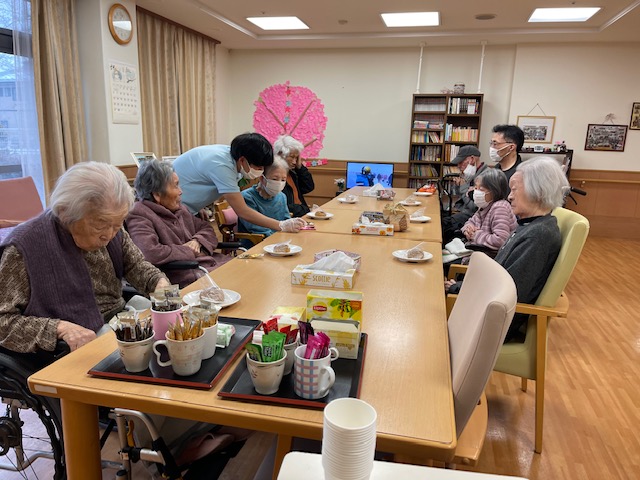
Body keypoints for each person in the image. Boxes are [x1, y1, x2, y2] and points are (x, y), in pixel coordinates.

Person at [0, 161, 170, 353]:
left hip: (119, 324)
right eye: (100, 225)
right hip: (71, 348)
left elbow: (136, 265)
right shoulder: (23, 248)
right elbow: (3, 322)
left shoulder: (112, 226)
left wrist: (158, 282)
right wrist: (59, 329)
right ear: (65, 213)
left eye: (118, 224)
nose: (109, 234)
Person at [445, 157, 569, 341]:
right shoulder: (529, 225)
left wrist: (459, 288)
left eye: (514, 190)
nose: (509, 196)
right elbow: (501, 275)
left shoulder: (538, 235)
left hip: (493, 322)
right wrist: (461, 287)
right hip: (488, 308)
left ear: (539, 191)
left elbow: (508, 291)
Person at [126, 159, 231, 288]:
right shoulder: (139, 213)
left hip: (210, 266)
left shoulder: (180, 208)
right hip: (189, 276)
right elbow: (149, 252)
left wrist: (198, 241)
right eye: (175, 186)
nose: (181, 191)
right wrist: (189, 251)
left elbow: (206, 228)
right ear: (157, 195)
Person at [173, 132, 305, 232]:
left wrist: (198, 205)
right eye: (258, 167)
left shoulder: (232, 157)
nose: (260, 171)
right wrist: (280, 225)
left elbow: (199, 177)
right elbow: (242, 211)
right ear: (243, 160)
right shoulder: (220, 164)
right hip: (173, 206)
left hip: (187, 206)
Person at [460, 168, 517, 255]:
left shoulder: (500, 207)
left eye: (481, 189)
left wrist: (475, 235)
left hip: (491, 260)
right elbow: (470, 221)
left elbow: (500, 241)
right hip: (479, 254)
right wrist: (468, 229)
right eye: (476, 188)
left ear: (494, 191)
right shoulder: (485, 206)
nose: (476, 192)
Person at [238, 155, 291, 245]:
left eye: (283, 180)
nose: (279, 183)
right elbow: (255, 228)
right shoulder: (247, 197)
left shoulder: (282, 196)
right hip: (256, 244)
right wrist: (277, 240)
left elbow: (286, 220)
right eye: (275, 179)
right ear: (262, 178)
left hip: (280, 242)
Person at [441, 145, 485, 243]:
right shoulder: (471, 174)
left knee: (442, 225)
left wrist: (463, 187)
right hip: (464, 213)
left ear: (472, 159)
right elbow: (462, 199)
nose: (458, 166)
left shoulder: (484, 177)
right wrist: (458, 186)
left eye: (461, 162)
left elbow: (474, 207)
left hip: (473, 217)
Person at [274, 135, 315, 217]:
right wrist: (305, 210)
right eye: (292, 157)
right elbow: (282, 206)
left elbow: (308, 187)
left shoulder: (292, 173)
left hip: (300, 214)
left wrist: (300, 167)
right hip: (291, 217)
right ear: (280, 155)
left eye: (296, 158)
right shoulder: (274, 177)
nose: (294, 161)